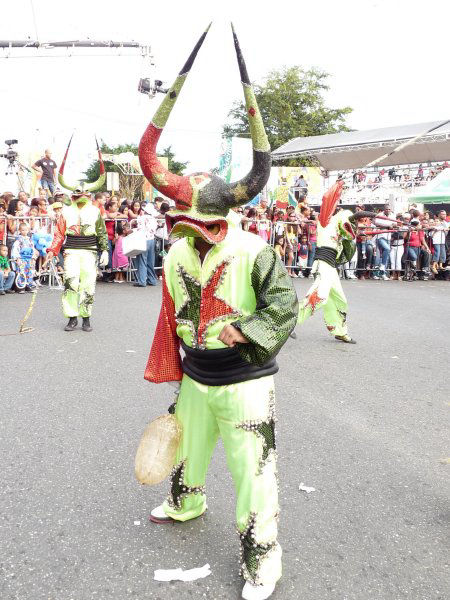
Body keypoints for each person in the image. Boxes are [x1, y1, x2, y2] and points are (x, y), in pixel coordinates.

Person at [139, 26, 298, 600]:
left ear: (227, 219)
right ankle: (186, 501)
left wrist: (244, 329)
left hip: (245, 381)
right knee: (185, 447)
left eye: (205, 225)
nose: (195, 234)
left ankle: (263, 558)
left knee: (254, 472)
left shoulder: (256, 250)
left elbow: (285, 307)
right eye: (185, 222)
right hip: (195, 377)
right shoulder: (178, 249)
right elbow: (171, 311)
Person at [297, 183, 373, 344]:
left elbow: (350, 237)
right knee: (319, 296)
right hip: (323, 263)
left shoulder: (339, 231)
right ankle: (287, 321)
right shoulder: (326, 222)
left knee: (339, 299)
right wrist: (337, 189)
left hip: (331, 267)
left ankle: (339, 330)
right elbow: (327, 200)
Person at [45, 139, 108, 331]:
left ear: (89, 195)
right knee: (70, 283)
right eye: (77, 192)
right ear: (72, 195)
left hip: (90, 252)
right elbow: (59, 233)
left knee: (89, 285)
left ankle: (86, 318)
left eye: (85, 193)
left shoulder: (95, 211)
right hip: (71, 251)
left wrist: (104, 249)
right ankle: (72, 317)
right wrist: (52, 250)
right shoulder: (65, 211)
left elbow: (101, 232)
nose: (81, 195)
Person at [134, 203, 158, 287]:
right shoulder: (153, 219)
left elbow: (139, 229)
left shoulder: (141, 218)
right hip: (151, 239)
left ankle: (142, 281)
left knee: (142, 260)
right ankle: (152, 280)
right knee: (150, 261)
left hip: (143, 240)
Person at [11, 221, 37, 292]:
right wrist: (17, 258)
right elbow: (15, 250)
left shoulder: (30, 240)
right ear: (20, 230)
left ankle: (28, 285)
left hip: (29, 259)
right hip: (22, 258)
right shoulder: (18, 241)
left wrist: (33, 257)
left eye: (26, 230)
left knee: (30, 272)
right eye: (22, 230)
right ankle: (21, 287)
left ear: (28, 230)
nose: (24, 231)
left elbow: (33, 249)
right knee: (21, 272)